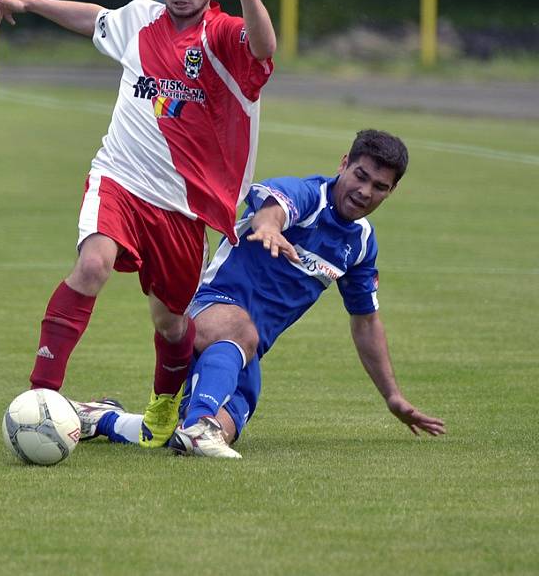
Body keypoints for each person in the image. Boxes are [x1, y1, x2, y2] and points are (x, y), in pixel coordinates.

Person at [0, 0, 277, 448]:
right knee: (92, 263)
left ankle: (165, 401)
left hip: (184, 207)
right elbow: (94, 18)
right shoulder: (141, 20)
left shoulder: (223, 35)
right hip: (119, 178)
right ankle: (39, 399)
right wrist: (27, 2)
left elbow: (262, 46)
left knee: (171, 324)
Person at [69, 130, 446, 458]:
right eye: (360, 176)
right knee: (233, 349)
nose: (365, 192)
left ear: (391, 191)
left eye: (379, 187)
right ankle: (200, 423)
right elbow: (274, 209)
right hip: (206, 313)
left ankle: (103, 417)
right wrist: (268, 227)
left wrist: (392, 396)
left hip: (246, 355)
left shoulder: (361, 244)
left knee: (184, 439)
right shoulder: (308, 195)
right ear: (343, 164)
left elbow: (365, 322)